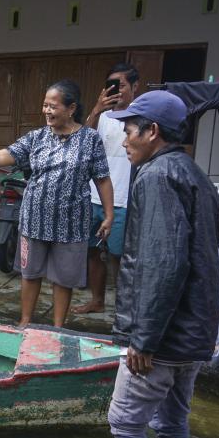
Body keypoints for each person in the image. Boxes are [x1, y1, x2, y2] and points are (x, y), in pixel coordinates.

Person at [105, 91, 219, 438]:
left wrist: (144, 338)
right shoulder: (196, 175)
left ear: (153, 132)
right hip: (193, 330)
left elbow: (163, 264)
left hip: (163, 337)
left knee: (124, 423)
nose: (124, 141)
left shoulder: (157, 177)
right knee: (172, 419)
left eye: (129, 131)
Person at [0, 80, 113, 327]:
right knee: (29, 274)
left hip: (72, 222)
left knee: (63, 279)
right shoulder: (36, 138)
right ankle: (24, 323)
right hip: (34, 221)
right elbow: (2, 155)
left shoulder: (90, 139)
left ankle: (57, 329)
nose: (47, 111)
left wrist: (108, 214)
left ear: (71, 107)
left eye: (53, 106)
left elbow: (102, 178)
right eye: (44, 105)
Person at [73, 63, 140, 315]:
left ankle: (124, 308)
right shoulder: (102, 116)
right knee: (91, 250)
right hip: (93, 196)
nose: (117, 91)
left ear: (135, 86)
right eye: (112, 85)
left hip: (122, 198)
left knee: (117, 255)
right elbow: (83, 141)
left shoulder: (140, 115)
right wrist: (97, 109)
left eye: (121, 85)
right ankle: (97, 301)